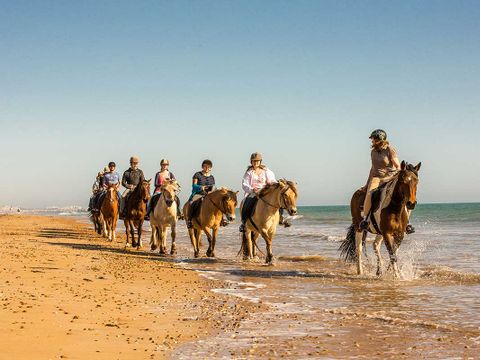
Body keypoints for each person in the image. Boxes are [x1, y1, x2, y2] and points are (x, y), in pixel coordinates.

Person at [359, 129, 415, 234]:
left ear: (379, 139)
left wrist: (396, 177)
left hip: (390, 176)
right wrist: (367, 184)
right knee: (370, 193)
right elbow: (372, 169)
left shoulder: (390, 150)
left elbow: (397, 166)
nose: (372, 141)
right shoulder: (373, 152)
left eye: (373, 139)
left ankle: (407, 223)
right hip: (377, 178)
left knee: (401, 196)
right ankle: (365, 220)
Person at [239, 152, 288, 233]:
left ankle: (281, 218)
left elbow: (271, 181)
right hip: (253, 192)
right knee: (247, 202)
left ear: (260, 162)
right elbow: (244, 184)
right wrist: (252, 189)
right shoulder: (249, 172)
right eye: (254, 161)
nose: (256, 163)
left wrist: (277, 183)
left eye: (257, 161)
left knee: (279, 199)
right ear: (251, 162)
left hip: (265, 191)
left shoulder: (266, 171)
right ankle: (244, 223)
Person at [186, 159, 217, 228]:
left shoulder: (212, 177)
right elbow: (194, 185)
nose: (207, 168)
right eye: (205, 166)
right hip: (199, 194)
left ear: (210, 168)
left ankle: (221, 220)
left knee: (218, 203)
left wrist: (214, 190)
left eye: (208, 167)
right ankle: (190, 220)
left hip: (209, 195)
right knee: (192, 203)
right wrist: (200, 187)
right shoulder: (197, 175)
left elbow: (214, 187)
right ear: (202, 167)